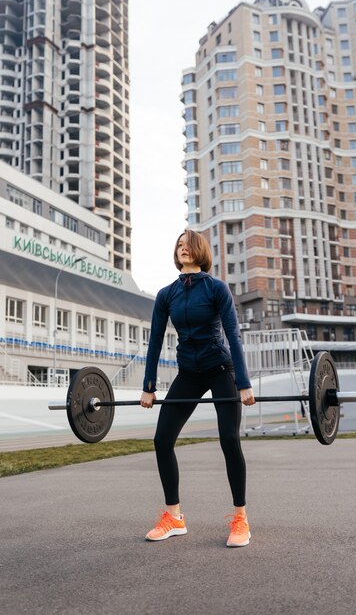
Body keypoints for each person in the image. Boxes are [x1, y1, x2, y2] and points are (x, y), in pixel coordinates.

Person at [140, 229, 255, 547]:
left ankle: (241, 519)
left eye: (188, 244)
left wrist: (243, 384)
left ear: (199, 250)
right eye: (178, 245)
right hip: (188, 373)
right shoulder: (166, 295)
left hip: (220, 369)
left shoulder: (217, 289)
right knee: (162, 440)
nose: (182, 248)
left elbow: (233, 334)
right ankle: (174, 517)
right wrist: (149, 386)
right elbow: (155, 340)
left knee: (229, 439)